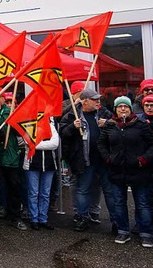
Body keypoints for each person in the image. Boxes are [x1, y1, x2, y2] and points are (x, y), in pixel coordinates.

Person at [98, 96, 153, 247]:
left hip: (139, 170)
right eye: (119, 106)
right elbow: (101, 144)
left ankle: (146, 233)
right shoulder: (110, 126)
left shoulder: (141, 124)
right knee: (119, 203)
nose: (123, 109)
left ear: (130, 108)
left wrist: (143, 159)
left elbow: (151, 145)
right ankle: (123, 231)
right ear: (115, 109)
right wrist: (108, 159)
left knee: (142, 203)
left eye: (126, 106)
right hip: (117, 171)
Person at [60, 88, 115, 232]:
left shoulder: (104, 113)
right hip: (84, 160)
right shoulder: (72, 114)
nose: (98, 102)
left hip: (104, 160)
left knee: (109, 191)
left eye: (98, 99)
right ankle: (82, 218)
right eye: (95, 100)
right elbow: (63, 133)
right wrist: (73, 127)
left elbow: (117, 127)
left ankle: (117, 221)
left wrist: (108, 123)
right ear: (85, 102)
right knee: (83, 189)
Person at [0, 87, 27, 231]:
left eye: (2, 98)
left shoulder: (13, 114)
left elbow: (15, 132)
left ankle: (15, 217)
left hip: (11, 156)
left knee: (14, 187)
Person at [23, 118, 59, 231]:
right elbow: (28, 142)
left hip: (49, 165)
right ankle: (34, 218)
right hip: (32, 164)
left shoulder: (51, 126)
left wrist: (36, 144)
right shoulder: (29, 126)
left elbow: (54, 144)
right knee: (33, 193)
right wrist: (39, 144)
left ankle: (43, 218)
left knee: (45, 193)